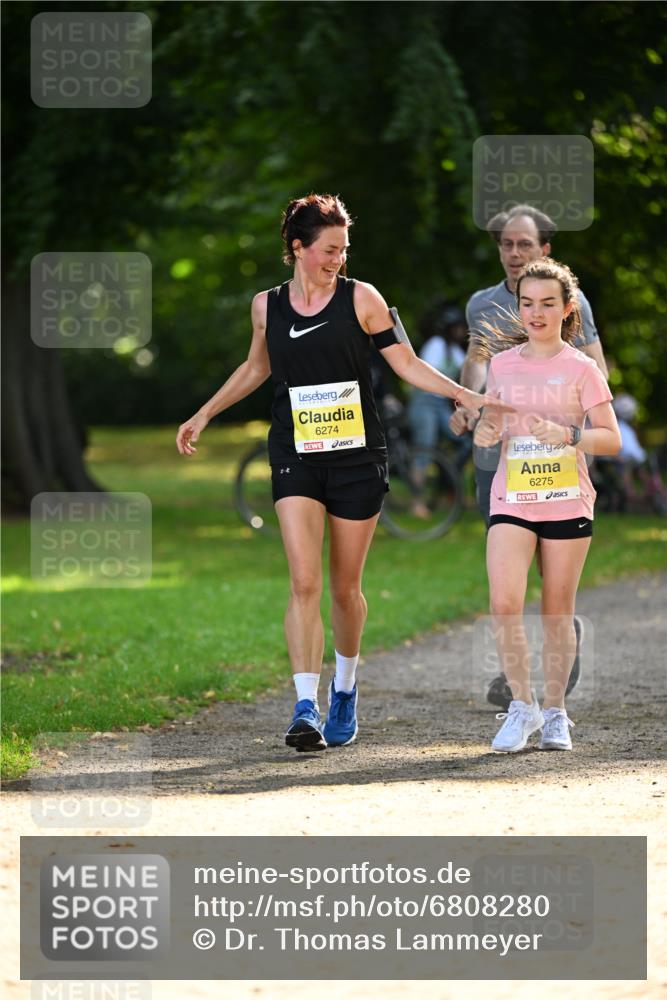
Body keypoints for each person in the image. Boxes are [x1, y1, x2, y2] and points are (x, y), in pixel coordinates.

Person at [176, 193, 512, 753]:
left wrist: (464, 395)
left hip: (358, 455)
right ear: (298, 247)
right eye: (329, 250)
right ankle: (305, 705)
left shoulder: (363, 299)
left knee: (344, 588)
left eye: (344, 250)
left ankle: (346, 688)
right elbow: (257, 367)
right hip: (294, 452)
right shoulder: (267, 306)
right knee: (304, 580)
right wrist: (205, 413)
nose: (338, 259)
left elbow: (404, 362)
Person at [451, 204, 609, 710]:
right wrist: (469, 407)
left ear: (545, 249)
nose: (515, 253)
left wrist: (575, 434)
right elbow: (479, 368)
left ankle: (562, 645)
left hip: (561, 458)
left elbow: (593, 370)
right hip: (501, 464)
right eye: (507, 244)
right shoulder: (482, 303)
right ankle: (515, 677)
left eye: (525, 244)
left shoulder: (569, 296)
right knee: (507, 580)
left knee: (553, 584)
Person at [473, 257, 620, 752]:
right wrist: (486, 429)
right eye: (527, 303)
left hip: (566, 499)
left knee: (557, 611)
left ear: (567, 308)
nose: (535, 313)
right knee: (504, 603)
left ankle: (556, 711)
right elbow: (490, 428)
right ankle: (522, 706)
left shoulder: (582, 368)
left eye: (547, 303)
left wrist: (570, 434)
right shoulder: (502, 364)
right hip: (512, 495)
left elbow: (612, 439)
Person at [408, 302, 471, 518]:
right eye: (458, 327)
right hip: (424, 402)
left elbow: (466, 371)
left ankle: (447, 491)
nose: (461, 332)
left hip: (439, 404)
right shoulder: (435, 345)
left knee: (463, 441)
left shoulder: (454, 350)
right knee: (424, 450)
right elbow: (427, 376)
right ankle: (417, 503)